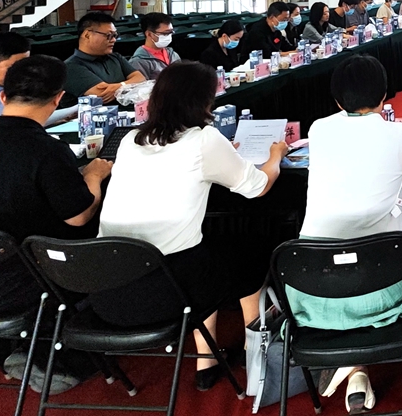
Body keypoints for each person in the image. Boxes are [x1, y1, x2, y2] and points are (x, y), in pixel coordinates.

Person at [95, 61, 286, 390]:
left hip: (109, 290)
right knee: (248, 255)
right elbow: (258, 186)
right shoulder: (203, 140)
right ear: (204, 101)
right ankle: (253, 349)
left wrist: (222, 155)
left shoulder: (130, 139)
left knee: (201, 255)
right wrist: (276, 156)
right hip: (169, 291)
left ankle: (205, 361)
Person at [294, 56, 402, 411]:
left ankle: (355, 368)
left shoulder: (319, 129)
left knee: (352, 263)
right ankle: (353, 362)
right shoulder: (401, 134)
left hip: (314, 284)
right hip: (381, 283)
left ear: (337, 101)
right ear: (384, 95)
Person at [0, 55, 110, 320]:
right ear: (58, 99)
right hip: (23, 282)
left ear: (3, 97)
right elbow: (79, 217)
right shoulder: (48, 150)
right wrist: (94, 176)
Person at [63, 12, 142, 101]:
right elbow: (102, 94)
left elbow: (140, 78)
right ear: (87, 35)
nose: (114, 40)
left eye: (115, 35)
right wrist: (130, 84)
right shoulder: (71, 66)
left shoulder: (115, 57)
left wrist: (120, 85)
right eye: (109, 35)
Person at [128, 12, 180, 81]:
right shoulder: (138, 61)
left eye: (171, 32)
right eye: (165, 33)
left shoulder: (172, 54)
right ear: (149, 34)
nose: (169, 36)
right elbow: (140, 86)